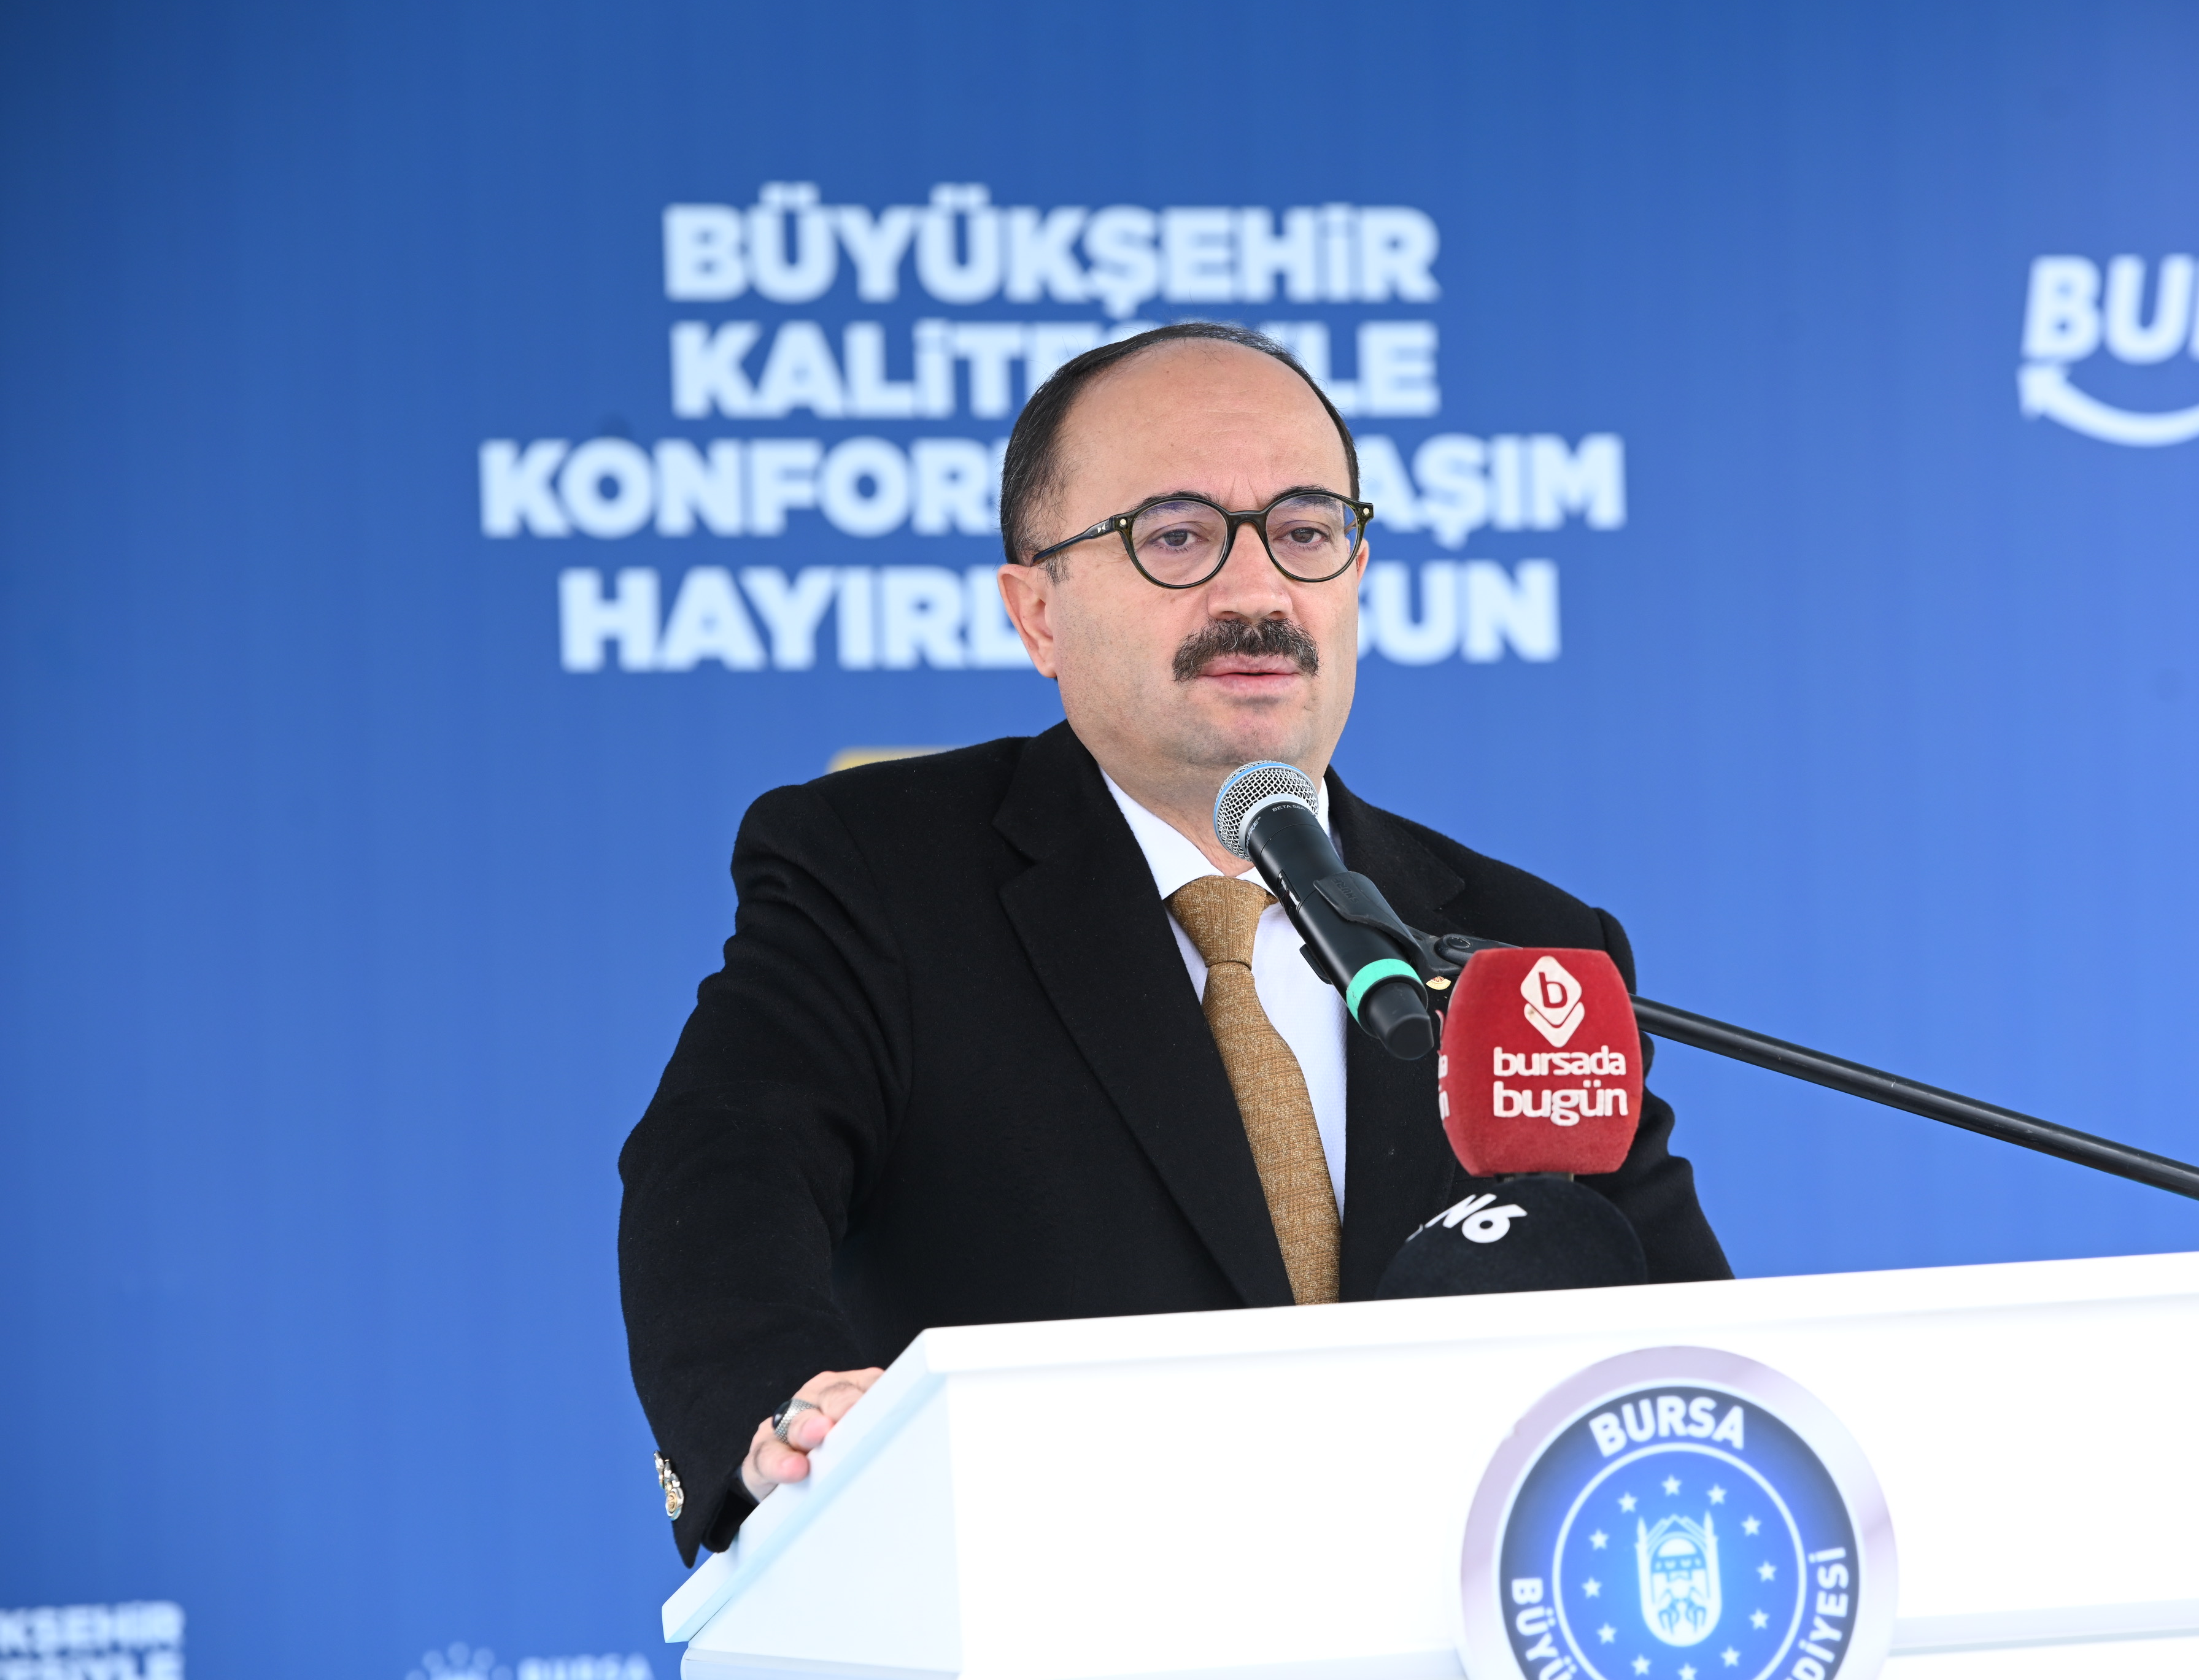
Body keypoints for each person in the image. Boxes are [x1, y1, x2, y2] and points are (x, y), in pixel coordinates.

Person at [617, 322, 1733, 1563]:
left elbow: (1690, 1345)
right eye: (1178, 536)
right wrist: (786, 1407)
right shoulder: (881, 873)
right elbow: (723, 1170)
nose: (1258, 592)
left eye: (1304, 530)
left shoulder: (1526, 943)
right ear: (1037, 611)